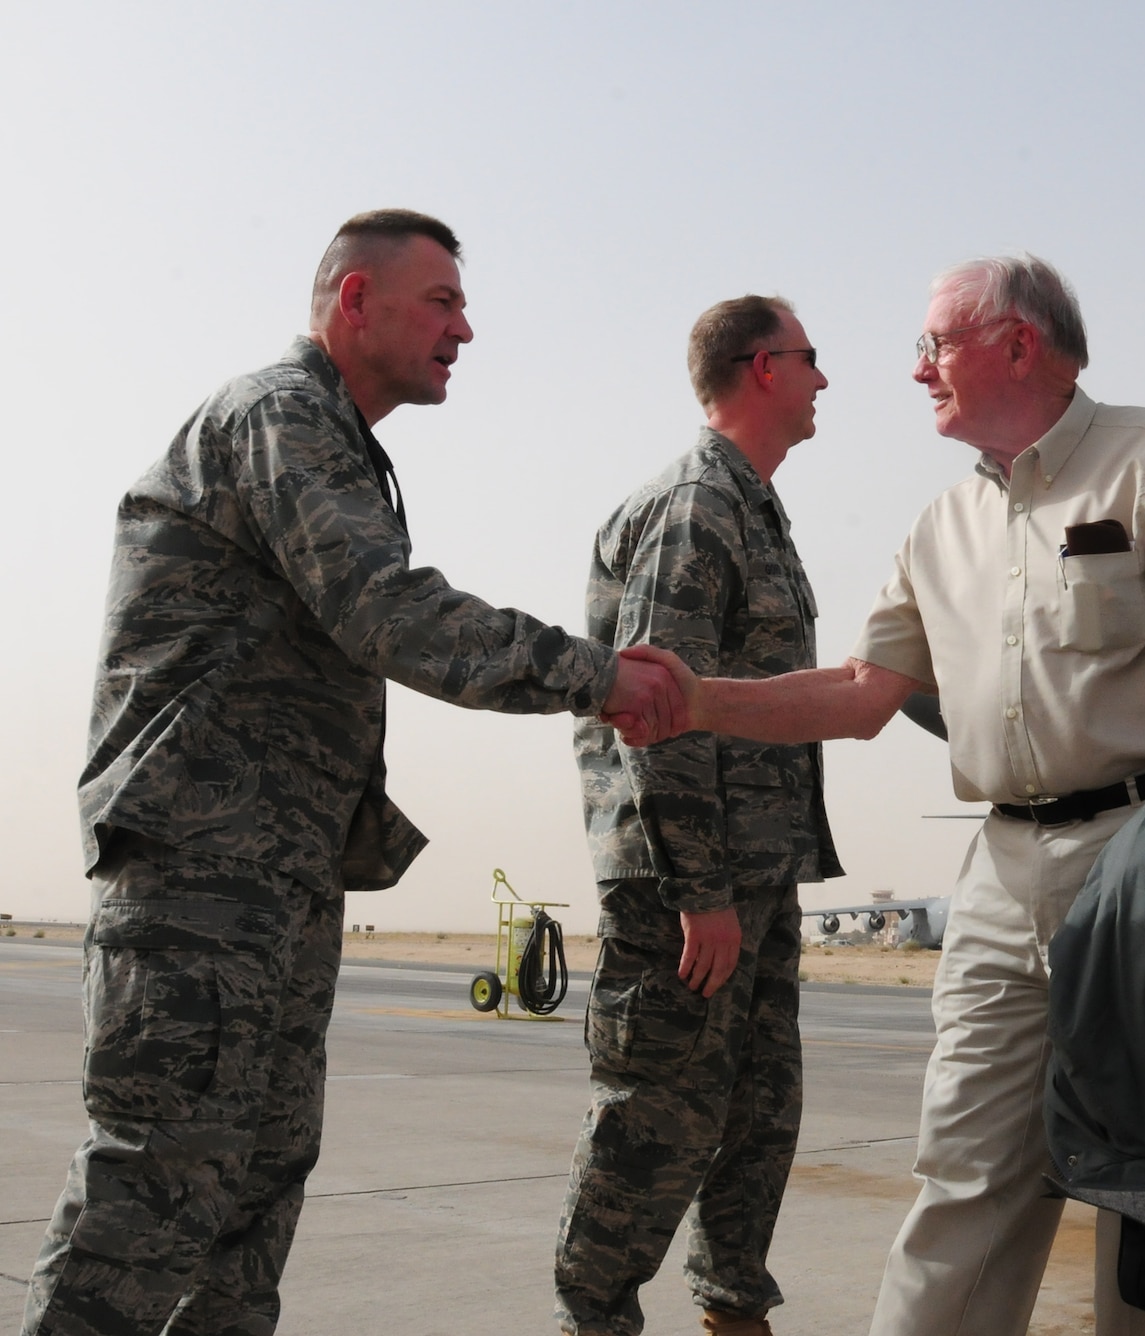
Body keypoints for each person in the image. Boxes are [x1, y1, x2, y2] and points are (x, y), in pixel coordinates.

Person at [21, 210, 680, 1336]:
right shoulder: (280, 416)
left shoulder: (330, 435)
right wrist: (595, 674)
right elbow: (386, 609)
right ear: (353, 301)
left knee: (255, 1195)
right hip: (199, 877)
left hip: (273, 878)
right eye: (442, 302)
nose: (465, 329)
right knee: (152, 1196)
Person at [614, 254, 1145, 1336]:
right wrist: (701, 701)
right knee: (966, 1169)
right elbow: (856, 693)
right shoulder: (941, 527)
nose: (913, 367)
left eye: (934, 343)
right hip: (1000, 874)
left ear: (1016, 343)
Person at [556, 296, 842, 1336]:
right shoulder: (695, 509)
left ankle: (733, 1314)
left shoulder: (750, 506)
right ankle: (592, 1320)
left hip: (753, 879)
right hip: (690, 889)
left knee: (755, 1120)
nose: (823, 380)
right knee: (654, 1125)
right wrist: (699, 890)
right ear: (762, 368)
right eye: (810, 360)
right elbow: (654, 711)